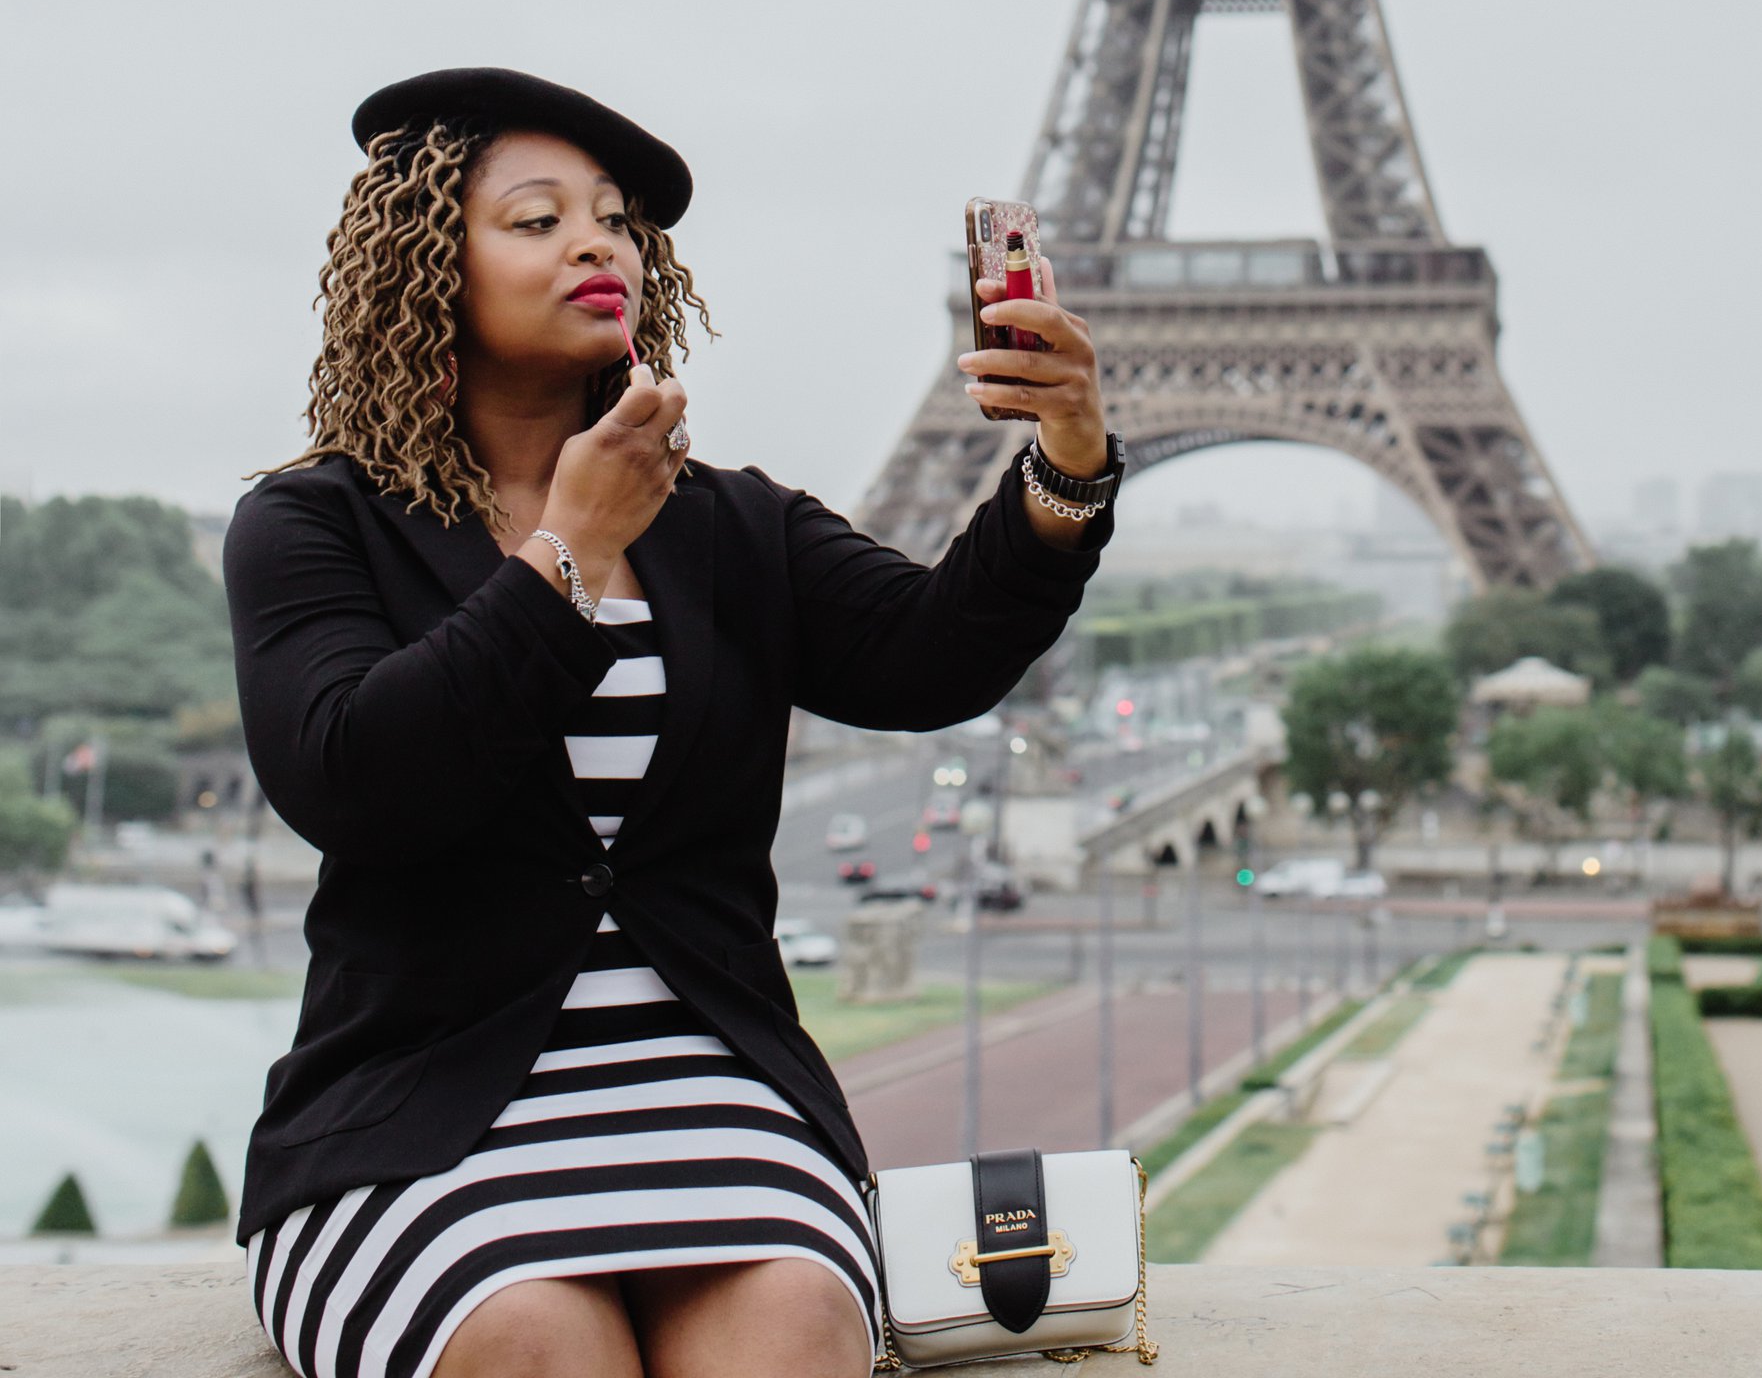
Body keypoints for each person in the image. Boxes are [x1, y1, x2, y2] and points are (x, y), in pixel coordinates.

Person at [226, 68, 1123, 1378]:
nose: (597, 245)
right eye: (537, 220)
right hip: (419, 1113)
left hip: (713, 1091)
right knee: (532, 1341)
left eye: (615, 221)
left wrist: (1069, 461)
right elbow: (358, 781)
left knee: (792, 1328)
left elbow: (932, 658)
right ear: (425, 268)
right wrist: (570, 553)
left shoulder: (727, 525)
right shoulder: (314, 525)